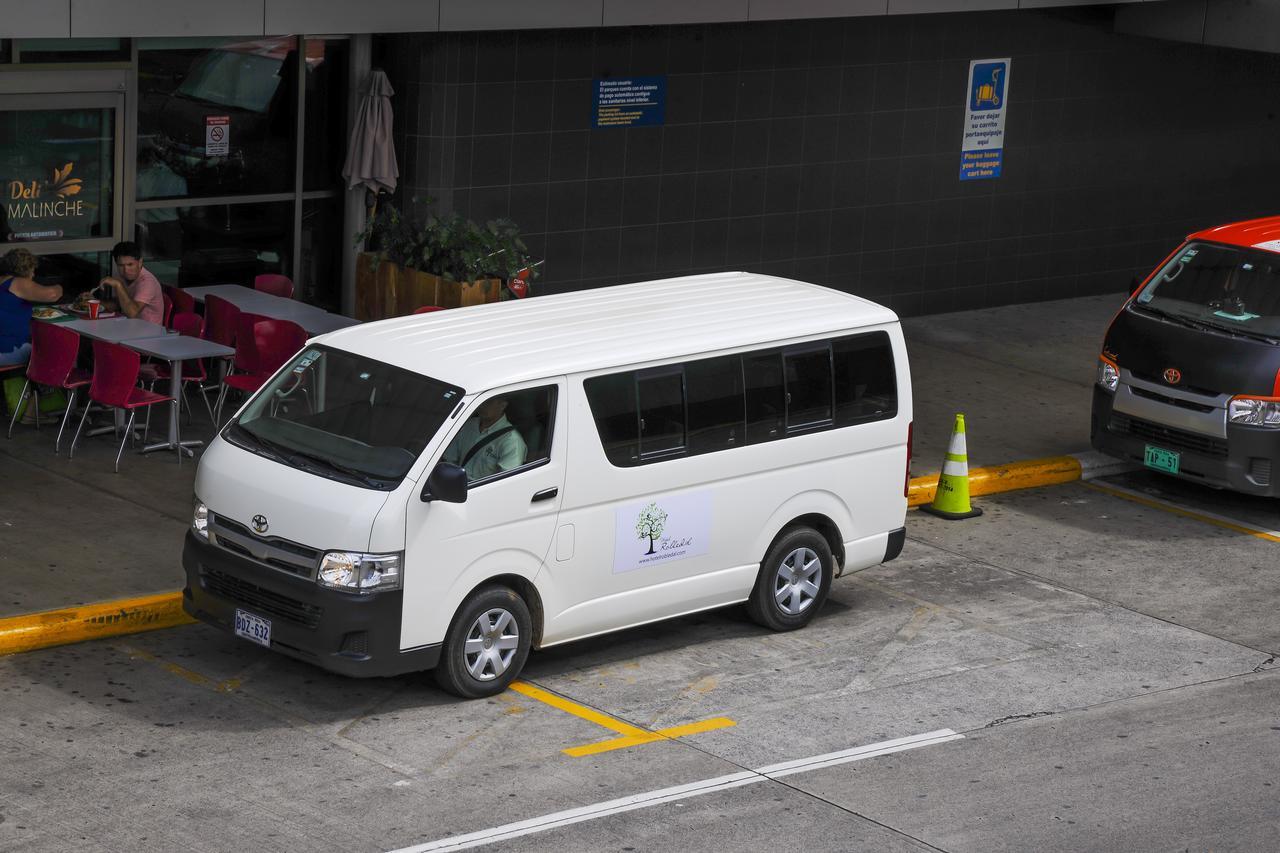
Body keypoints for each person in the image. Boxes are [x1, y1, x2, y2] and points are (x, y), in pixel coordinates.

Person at [0, 248, 62, 366]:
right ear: (26, 270)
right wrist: (60, 287)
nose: (33, 275)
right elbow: (52, 295)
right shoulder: (17, 282)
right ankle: (58, 383)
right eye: (33, 271)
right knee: (60, 351)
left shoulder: (2, 281)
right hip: (7, 350)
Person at [442, 395, 527, 481]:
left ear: (503, 405)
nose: (482, 406)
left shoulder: (512, 441)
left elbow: (505, 481)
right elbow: (449, 460)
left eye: (488, 402)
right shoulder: (467, 425)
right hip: (454, 482)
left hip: (482, 490)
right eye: (482, 401)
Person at [97, 241, 163, 325]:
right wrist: (92, 302)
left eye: (130, 264)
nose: (126, 270)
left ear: (140, 262)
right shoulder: (121, 276)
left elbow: (132, 313)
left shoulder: (147, 282)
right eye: (121, 265)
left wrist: (118, 285)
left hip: (149, 333)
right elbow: (118, 304)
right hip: (129, 327)